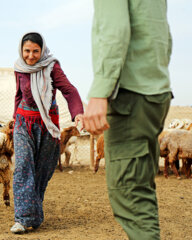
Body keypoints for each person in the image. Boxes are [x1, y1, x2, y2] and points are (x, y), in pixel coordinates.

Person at [83, 1, 172, 239]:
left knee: (130, 195)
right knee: (141, 190)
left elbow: (115, 31)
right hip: (155, 93)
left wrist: (101, 91)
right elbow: (165, 38)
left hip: (129, 96)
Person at [10, 32, 84, 233]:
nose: (31, 56)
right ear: (21, 50)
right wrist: (15, 118)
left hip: (47, 124)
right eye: (27, 51)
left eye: (36, 51)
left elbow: (69, 91)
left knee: (42, 171)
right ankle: (23, 218)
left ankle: (34, 213)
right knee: (23, 166)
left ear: (42, 50)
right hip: (23, 122)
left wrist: (77, 114)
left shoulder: (52, 67)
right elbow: (18, 95)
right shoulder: (19, 68)